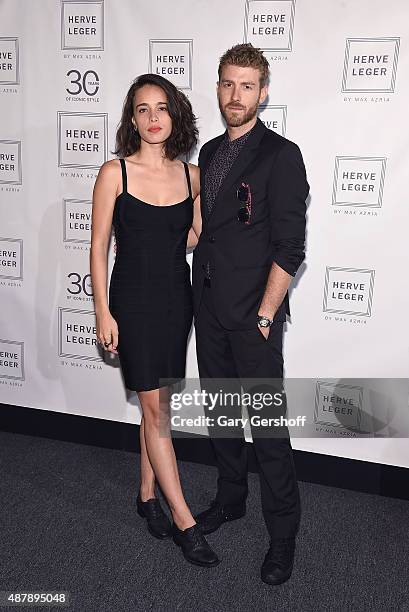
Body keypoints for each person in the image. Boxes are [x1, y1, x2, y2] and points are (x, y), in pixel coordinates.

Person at [90, 73, 218, 567]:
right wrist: (102, 310)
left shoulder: (191, 176)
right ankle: (184, 520)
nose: (152, 118)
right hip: (134, 302)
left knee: (158, 399)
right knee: (156, 411)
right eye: (142, 109)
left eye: (161, 107)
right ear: (132, 118)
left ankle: (146, 494)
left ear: (175, 114)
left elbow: (192, 237)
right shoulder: (114, 173)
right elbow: (99, 246)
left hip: (176, 299)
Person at [192, 44, 309, 585]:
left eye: (246, 86)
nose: (234, 95)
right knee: (220, 417)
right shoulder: (210, 152)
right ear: (218, 88)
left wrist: (266, 314)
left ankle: (282, 536)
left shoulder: (281, 155)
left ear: (263, 92)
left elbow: (290, 247)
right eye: (226, 84)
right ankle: (230, 499)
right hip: (209, 312)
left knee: (265, 430)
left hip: (254, 319)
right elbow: (205, 232)